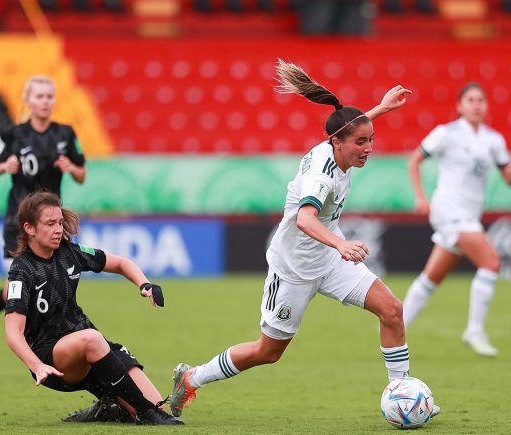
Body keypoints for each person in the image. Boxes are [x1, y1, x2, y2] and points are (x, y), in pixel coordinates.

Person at [169, 59, 440, 420]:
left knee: (391, 310)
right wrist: (341, 245)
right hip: (294, 269)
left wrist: (381, 107)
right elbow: (304, 218)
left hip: (327, 261)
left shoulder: (338, 143)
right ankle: (192, 377)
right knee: (268, 352)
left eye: (371, 140)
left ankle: (404, 396)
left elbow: (351, 126)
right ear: (337, 143)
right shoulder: (321, 176)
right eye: (361, 142)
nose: (368, 148)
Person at [4, 191, 183, 425]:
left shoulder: (70, 252)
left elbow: (120, 263)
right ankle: (147, 414)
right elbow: (12, 334)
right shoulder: (21, 270)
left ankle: (107, 408)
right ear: (29, 228)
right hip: (53, 359)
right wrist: (36, 366)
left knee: (155, 400)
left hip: (93, 350)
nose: (58, 229)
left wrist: (144, 284)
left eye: (60, 222)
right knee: (93, 340)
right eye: (50, 224)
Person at [0, 75, 86, 351]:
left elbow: (82, 174)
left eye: (49, 96)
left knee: (43, 280)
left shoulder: (65, 134)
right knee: (20, 282)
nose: (45, 102)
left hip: (51, 223)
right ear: (27, 100)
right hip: (20, 221)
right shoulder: (12, 135)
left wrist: (71, 168)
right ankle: (35, 337)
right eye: (39, 96)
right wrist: (4, 167)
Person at [402, 82, 511, 357]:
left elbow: (509, 175)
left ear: (486, 106)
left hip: (469, 215)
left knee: (432, 277)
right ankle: (474, 330)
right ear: (459, 106)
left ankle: (397, 323)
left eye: (481, 100)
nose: (476, 105)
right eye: (471, 100)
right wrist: (420, 197)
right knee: (491, 263)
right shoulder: (446, 133)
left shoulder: (494, 139)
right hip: (449, 211)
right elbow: (414, 159)